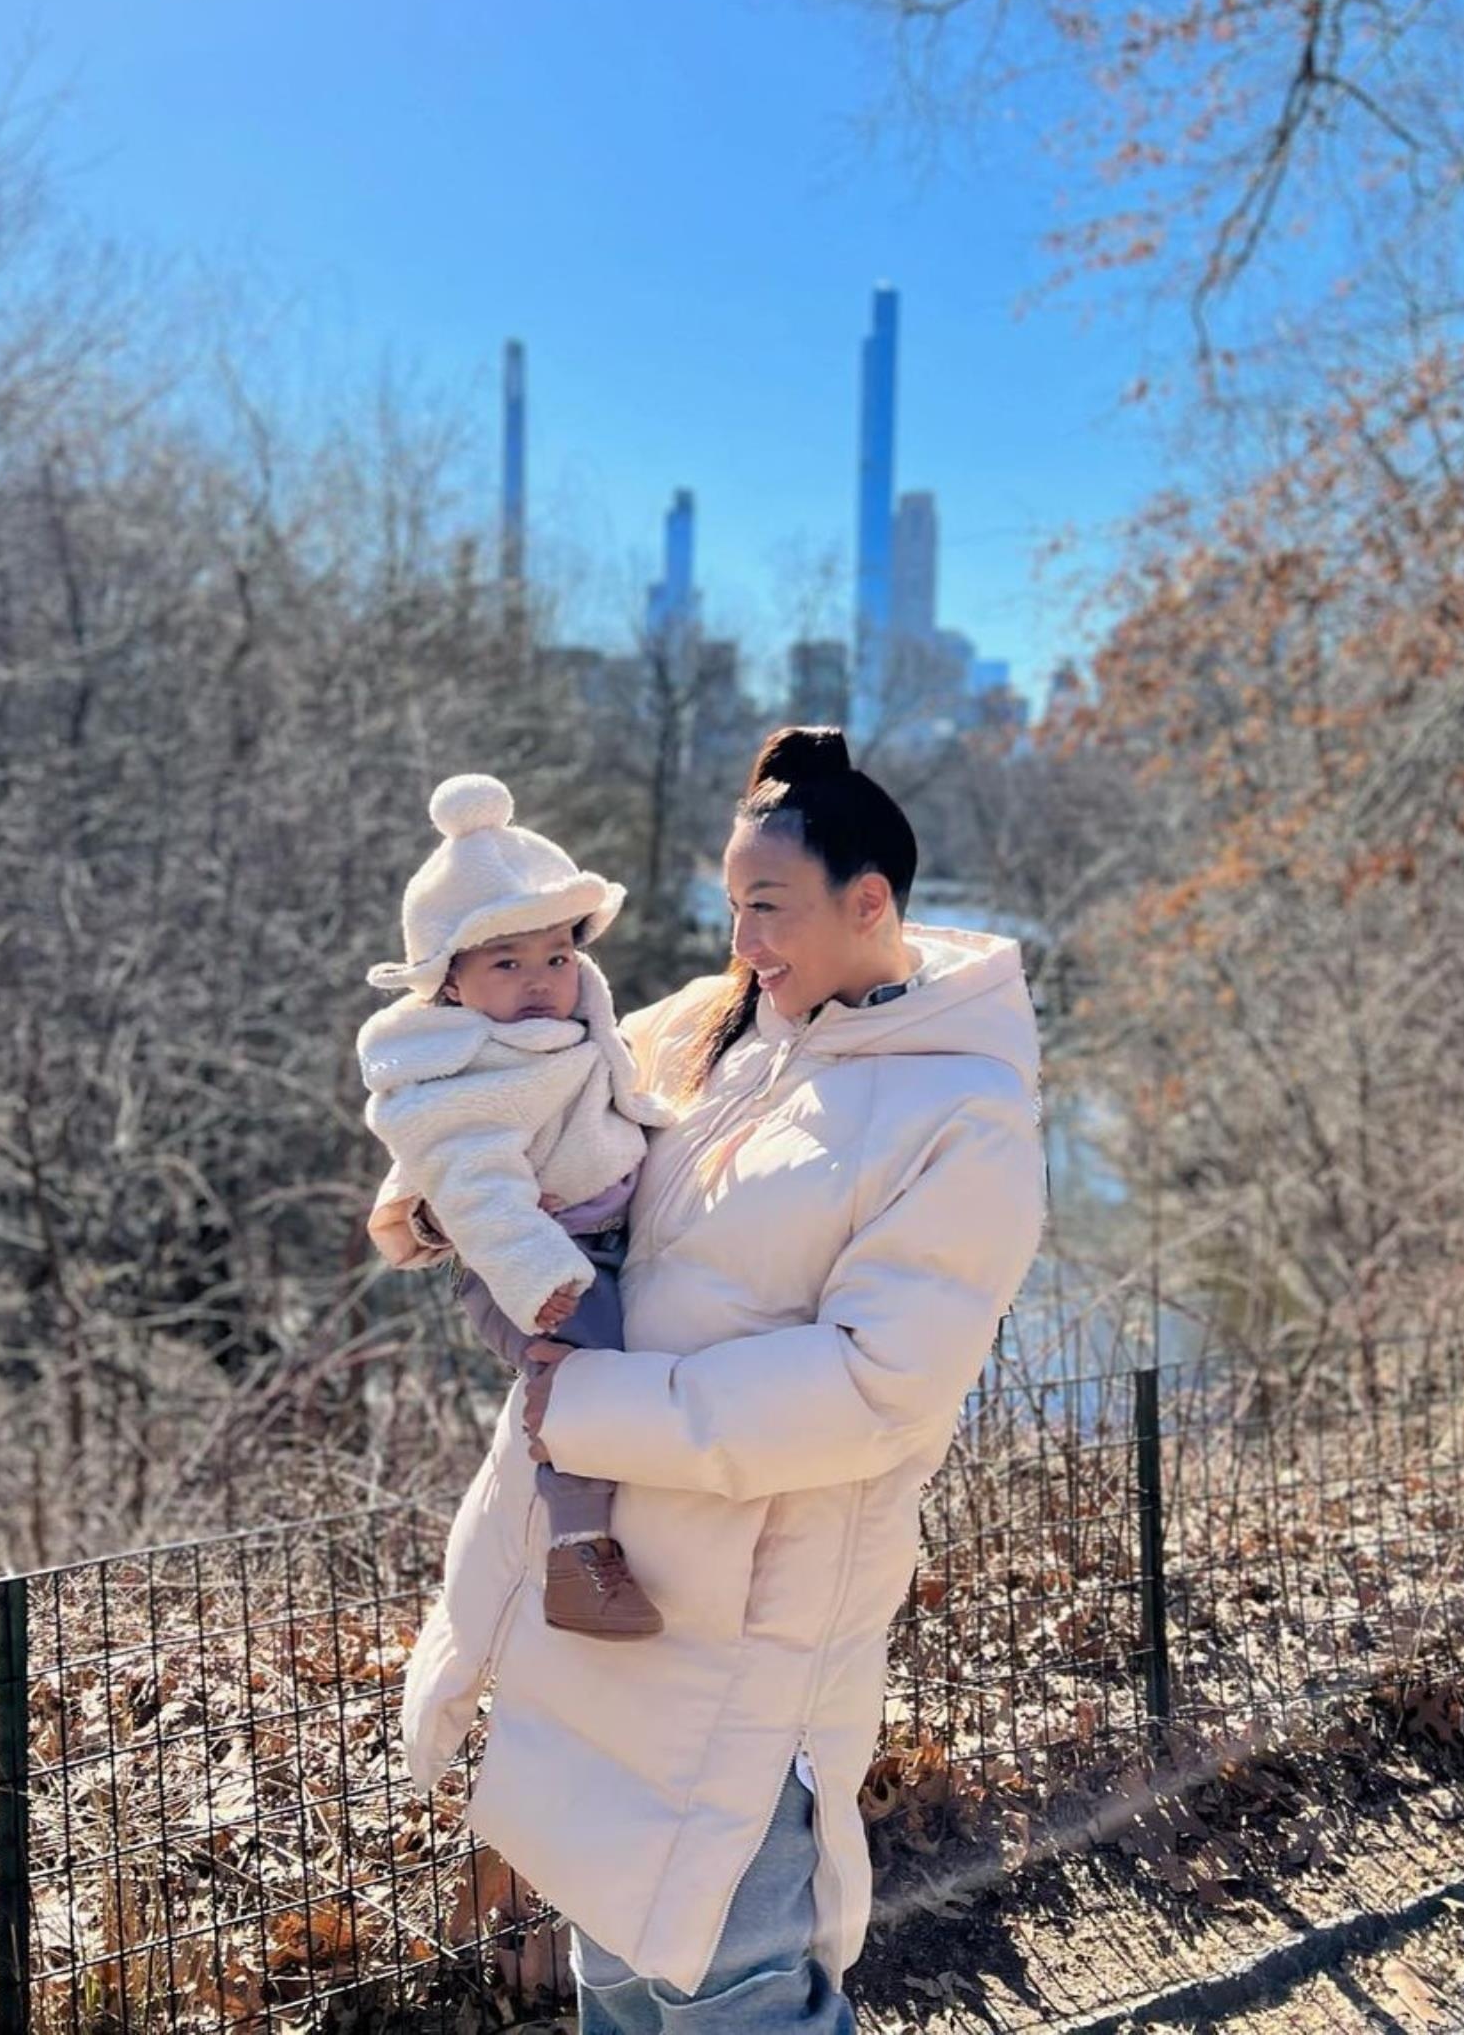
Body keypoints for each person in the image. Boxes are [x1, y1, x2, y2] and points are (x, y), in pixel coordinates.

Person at [368, 726, 1046, 2033]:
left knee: (733, 2002)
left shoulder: (964, 1116)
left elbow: (876, 1388)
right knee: (618, 1982)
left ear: (869, 901)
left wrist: (593, 1409)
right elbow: (517, 1115)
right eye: (732, 905)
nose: (743, 940)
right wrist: (449, 1205)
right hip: (604, 1611)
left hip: (740, 1647)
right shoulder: (721, 1031)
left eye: (769, 907)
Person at [357, 771, 668, 1640]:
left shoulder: (576, 1027)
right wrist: (536, 1274)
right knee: (582, 1366)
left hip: (593, 1236)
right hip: (526, 1265)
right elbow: (474, 1185)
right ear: (451, 983)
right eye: (507, 963)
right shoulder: (462, 1070)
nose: (540, 980)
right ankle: (579, 1550)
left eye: (556, 958)